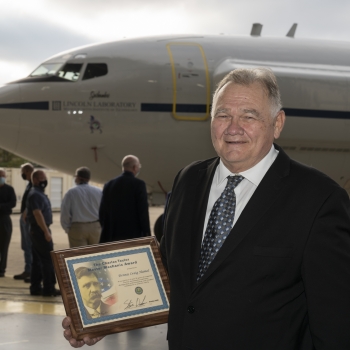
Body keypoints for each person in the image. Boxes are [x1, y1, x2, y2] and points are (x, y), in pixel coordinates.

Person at [62, 68, 350, 349]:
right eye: (223, 115)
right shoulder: (189, 180)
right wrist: (97, 317)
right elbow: (167, 270)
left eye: (249, 116)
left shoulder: (319, 200)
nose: (233, 128)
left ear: (277, 123)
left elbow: (335, 321)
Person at [99, 155, 151, 243]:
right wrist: (147, 233)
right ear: (135, 167)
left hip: (112, 235)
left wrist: (107, 229)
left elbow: (102, 211)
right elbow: (142, 211)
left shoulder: (109, 184)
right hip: (133, 235)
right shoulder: (139, 184)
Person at [26, 169, 60, 296]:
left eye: (45, 178)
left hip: (38, 230)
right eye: (41, 178)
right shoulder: (35, 194)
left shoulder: (37, 193)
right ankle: (49, 288)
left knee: (37, 260)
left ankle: (35, 287)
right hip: (40, 230)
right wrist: (46, 231)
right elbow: (37, 213)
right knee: (47, 259)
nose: (44, 181)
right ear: (34, 180)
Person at [60, 167, 102, 248]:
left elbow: (65, 212)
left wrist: (67, 228)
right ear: (89, 178)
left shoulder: (71, 192)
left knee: (79, 257)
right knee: (96, 255)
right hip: (95, 227)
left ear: (78, 177)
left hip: (78, 227)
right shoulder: (99, 191)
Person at [14, 163, 34, 281]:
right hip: (24, 218)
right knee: (25, 245)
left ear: (27, 171)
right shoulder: (29, 185)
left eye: (22, 171)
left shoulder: (33, 185)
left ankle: (30, 270)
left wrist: (26, 212)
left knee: (28, 245)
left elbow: (31, 202)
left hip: (28, 219)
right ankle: (28, 269)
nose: (21, 174)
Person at [0, 168, 16, 277]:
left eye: (2, 176)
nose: (1, 178)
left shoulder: (9, 189)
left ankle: (2, 270)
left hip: (4, 219)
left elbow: (13, 203)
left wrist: (1, 207)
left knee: (4, 246)